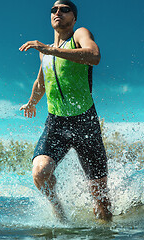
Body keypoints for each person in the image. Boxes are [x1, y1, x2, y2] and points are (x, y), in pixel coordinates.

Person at [19, 0, 112, 222]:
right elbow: (41, 82)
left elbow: (94, 56)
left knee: (102, 206)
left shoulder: (79, 34)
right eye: (54, 10)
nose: (58, 12)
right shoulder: (45, 53)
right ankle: (60, 213)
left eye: (64, 9)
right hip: (56, 124)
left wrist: (53, 49)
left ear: (74, 17)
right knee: (40, 172)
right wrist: (32, 102)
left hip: (85, 122)